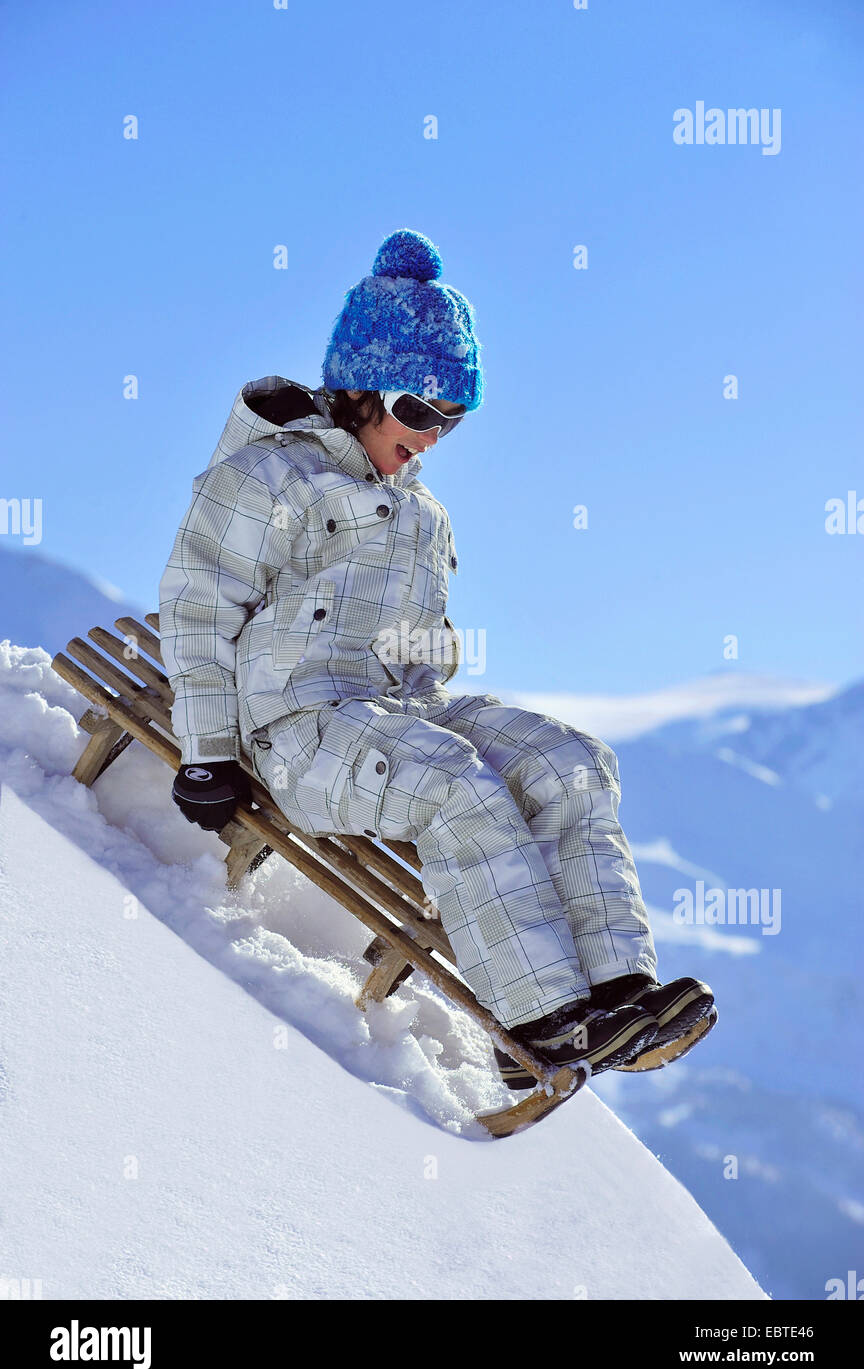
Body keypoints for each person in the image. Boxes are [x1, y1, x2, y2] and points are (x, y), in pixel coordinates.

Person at [158, 227, 715, 1088]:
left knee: (570, 762)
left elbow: (418, 660)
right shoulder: (272, 478)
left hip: (394, 720)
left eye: (454, 417)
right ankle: (538, 1027)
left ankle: (617, 996)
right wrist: (205, 754)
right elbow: (196, 609)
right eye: (419, 409)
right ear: (359, 390)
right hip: (296, 728)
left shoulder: (425, 516)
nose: (434, 435)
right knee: (455, 781)